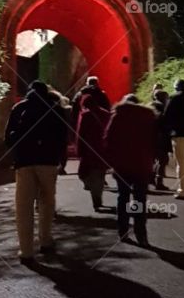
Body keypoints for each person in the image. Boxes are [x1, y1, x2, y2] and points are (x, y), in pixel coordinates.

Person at [3, 80, 70, 264]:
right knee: (46, 202)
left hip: (24, 162)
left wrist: (17, 152)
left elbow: (8, 137)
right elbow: (63, 137)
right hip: (48, 161)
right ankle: (45, 240)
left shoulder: (19, 108)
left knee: (24, 206)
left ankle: (26, 251)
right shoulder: (55, 109)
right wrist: (58, 158)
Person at [105, 93, 156, 246]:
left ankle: (123, 231)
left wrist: (111, 160)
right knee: (140, 199)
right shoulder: (148, 117)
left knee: (123, 197)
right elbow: (154, 140)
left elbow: (108, 139)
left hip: (122, 164)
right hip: (142, 164)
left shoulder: (118, 116)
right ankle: (141, 234)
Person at [72, 75, 112, 211]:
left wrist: (78, 146)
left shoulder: (81, 98)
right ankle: (97, 196)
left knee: (85, 171)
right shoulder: (103, 97)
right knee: (99, 171)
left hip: (89, 145)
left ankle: (93, 190)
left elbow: (76, 121)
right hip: (101, 144)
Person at [151, 85, 172, 191]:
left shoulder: (150, 107)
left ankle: (152, 177)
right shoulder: (162, 108)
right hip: (161, 138)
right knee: (163, 159)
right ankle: (159, 181)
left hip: (151, 138)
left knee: (154, 159)